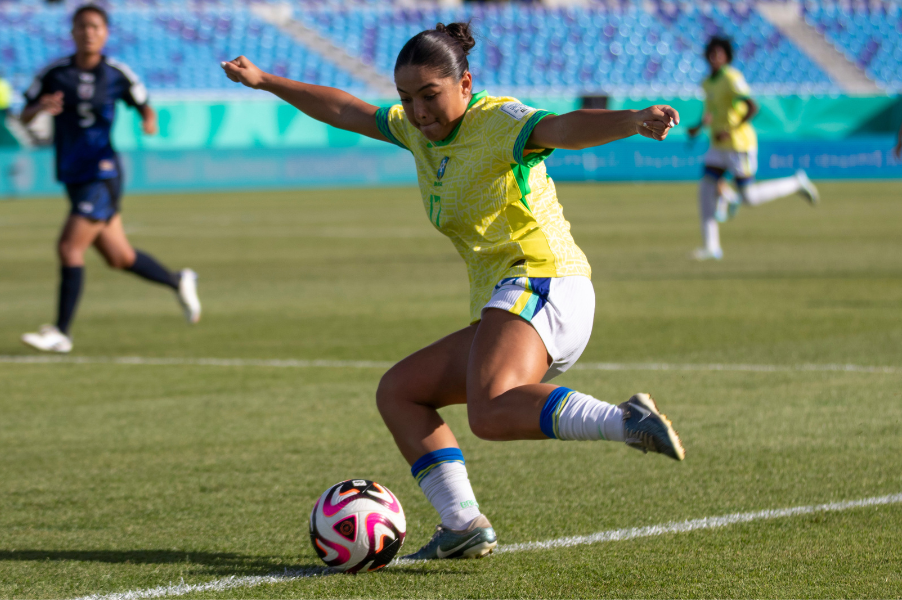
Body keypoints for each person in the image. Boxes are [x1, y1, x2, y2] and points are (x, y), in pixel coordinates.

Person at [222, 22, 686, 561]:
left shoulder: (496, 119)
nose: (418, 111)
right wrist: (265, 81)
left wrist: (630, 120)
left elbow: (561, 127)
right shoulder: (416, 132)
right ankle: (462, 524)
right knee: (401, 392)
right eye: (407, 99)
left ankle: (625, 420)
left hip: (543, 280)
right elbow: (346, 110)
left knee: (489, 413)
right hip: (510, 299)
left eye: (430, 96)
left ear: (465, 84)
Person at [19, 4, 200, 354]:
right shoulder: (53, 73)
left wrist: (149, 119)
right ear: (72, 31)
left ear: (106, 33)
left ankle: (60, 332)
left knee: (70, 247)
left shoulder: (117, 73)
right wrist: (40, 109)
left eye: (95, 26)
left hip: (101, 172)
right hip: (71, 173)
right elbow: (24, 115)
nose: (88, 32)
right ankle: (178, 280)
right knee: (119, 257)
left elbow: (143, 103)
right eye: (82, 26)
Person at [687, 36, 819, 261]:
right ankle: (711, 247)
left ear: (726, 56)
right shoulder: (707, 82)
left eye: (719, 53)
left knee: (749, 197)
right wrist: (698, 127)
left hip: (739, 144)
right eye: (712, 53)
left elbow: (752, 107)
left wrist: (731, 129)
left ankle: (796, 183)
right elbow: (711, 112)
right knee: (705, 189)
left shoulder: (732, 78)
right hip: (718, 145)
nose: (715, 57)